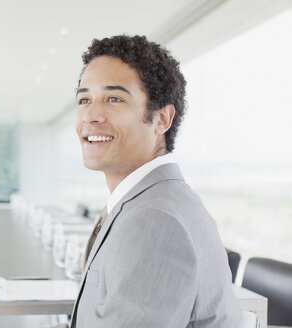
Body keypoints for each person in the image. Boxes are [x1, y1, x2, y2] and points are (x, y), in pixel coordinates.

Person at [68, 35, 242, 327]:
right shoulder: (150, 199)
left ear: (162, 118)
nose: (91, 115)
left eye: (114, 99)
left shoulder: (154, 220)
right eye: (84, 99)